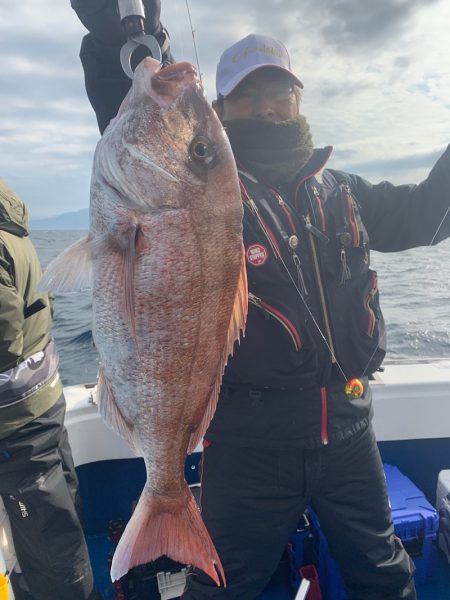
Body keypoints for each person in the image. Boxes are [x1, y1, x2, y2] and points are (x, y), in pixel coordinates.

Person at [71, 2, 450, 599]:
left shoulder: (345, 193)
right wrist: (127, 39)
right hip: (248, 445)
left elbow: (431, 214)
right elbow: (149, 128)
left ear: (300, 101)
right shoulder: (205, 187)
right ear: (220, 113)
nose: (268, 107)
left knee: (384, 574)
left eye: (280, 91)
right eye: (249, 97)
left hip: (350, 431)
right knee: (224, 587)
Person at [0, 179, 101, 600]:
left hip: (15, 423)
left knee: (52, 542)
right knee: (62, 519)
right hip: (42, 403)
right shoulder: (13, 234)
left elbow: (4, 332)